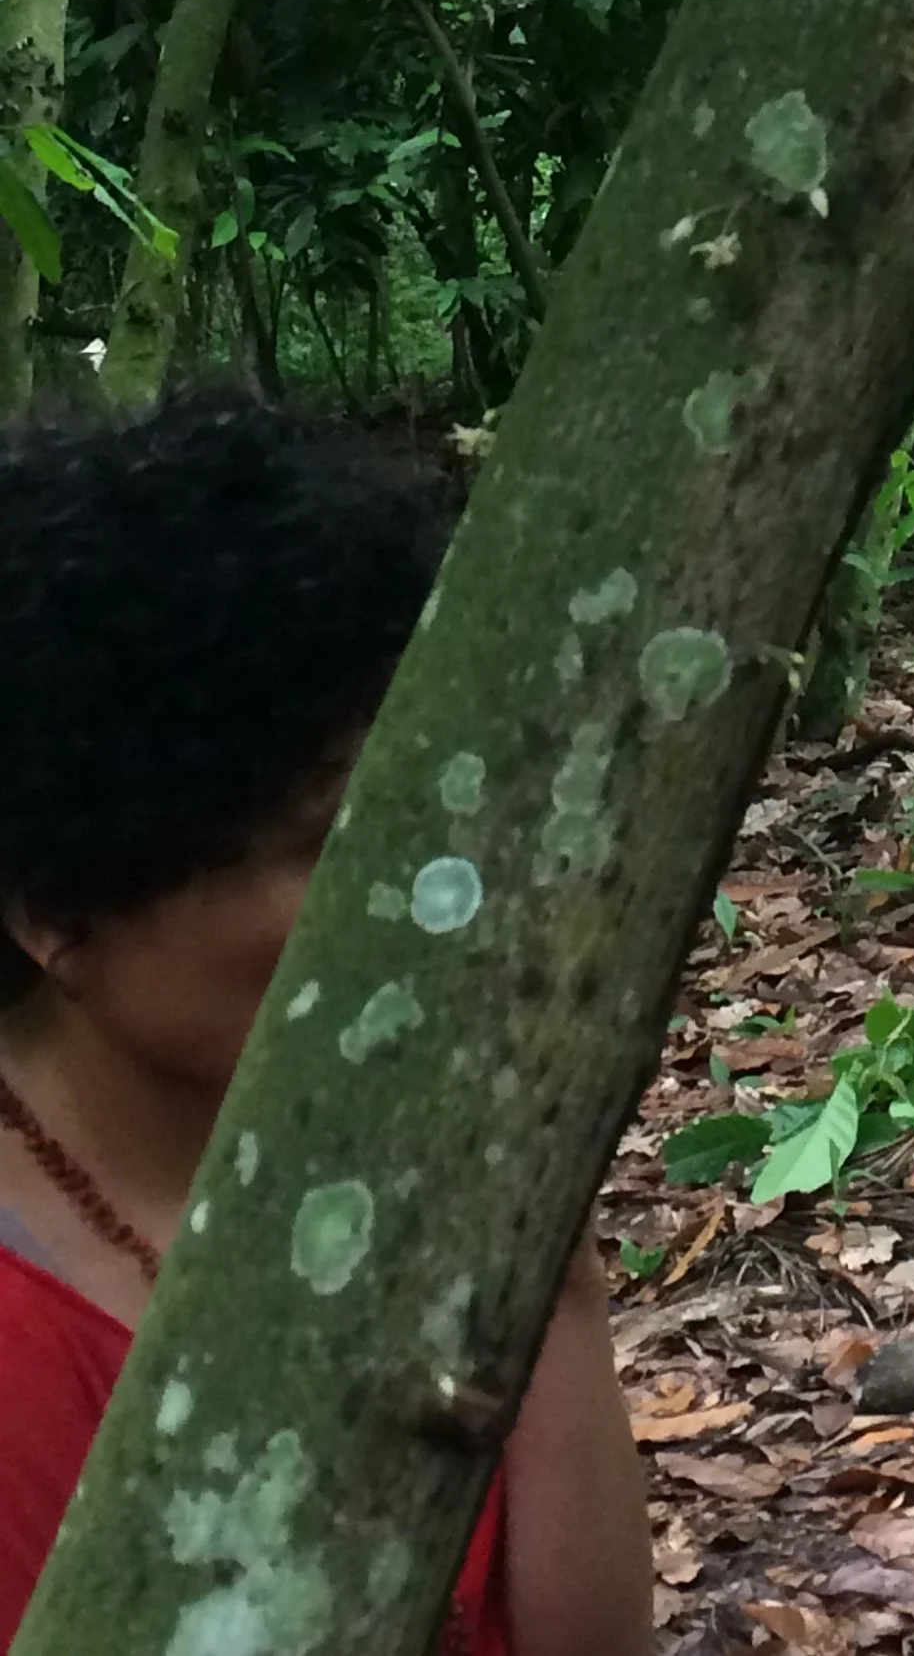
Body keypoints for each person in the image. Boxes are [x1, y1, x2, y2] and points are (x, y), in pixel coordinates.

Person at [0, 396, 651, 1656]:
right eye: (328, 847)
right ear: (58, 909)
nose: (426, 899)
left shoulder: (403, 1162)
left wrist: (550, 1277)